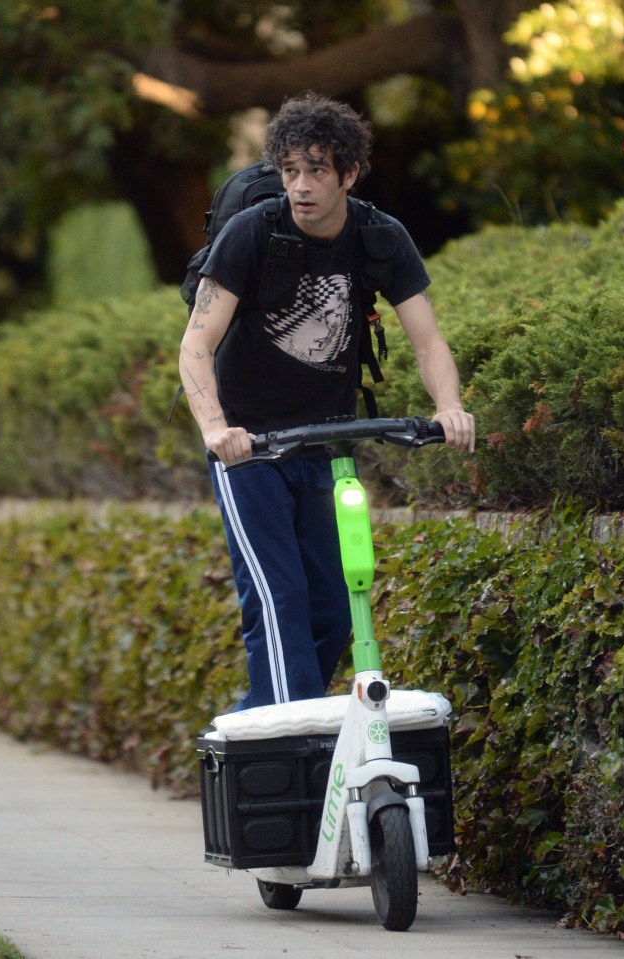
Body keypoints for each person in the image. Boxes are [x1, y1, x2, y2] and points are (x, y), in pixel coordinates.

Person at [179, 92, 475, 711]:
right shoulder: (252, 233)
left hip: (327, 445)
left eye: (317, 170)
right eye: (290, 171)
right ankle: (303, 756)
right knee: (278, 598)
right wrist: (215, 428)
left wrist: (449, 405)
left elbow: (428, 340)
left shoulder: (379, 236)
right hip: (250, 450)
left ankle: (262, 728)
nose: (301, 186)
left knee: (337, 607)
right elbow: (197, 344)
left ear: (349, 173)